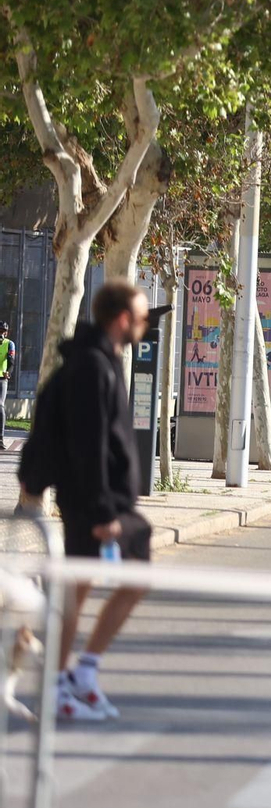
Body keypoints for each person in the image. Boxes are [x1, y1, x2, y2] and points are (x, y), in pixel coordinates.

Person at [20, 280, 154, 721]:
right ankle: (59, 684)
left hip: (107, 500)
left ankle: (83, 671)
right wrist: (100, 511)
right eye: (140, 318)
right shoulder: (91, 366)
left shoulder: (104, 360)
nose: (145, 325)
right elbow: (88, 441)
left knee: (129, 576)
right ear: (122, 320)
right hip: (90, 502)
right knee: (77, 592)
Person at [0, 322, 14, 444]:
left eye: (4, 331)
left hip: (1, 379)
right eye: (0, 330)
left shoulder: (9, 344)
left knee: (0, 405)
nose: (2, 333)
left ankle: (0, 437)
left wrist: (8, 372)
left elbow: (11, 360)